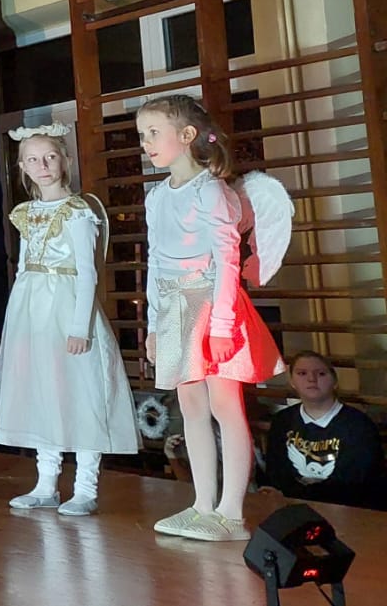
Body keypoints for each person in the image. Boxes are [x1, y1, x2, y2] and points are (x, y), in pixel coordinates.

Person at [137, 95, 283, 542]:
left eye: (154, 133)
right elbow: (156, 262)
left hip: (214, 306)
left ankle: (231, 513)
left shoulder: (210, 190)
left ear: (186, 135)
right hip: (176, 308)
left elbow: (226, 259)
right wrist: (155, 326)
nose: (146, 143)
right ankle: (202, 505)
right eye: (142, 135)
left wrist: (221, 327)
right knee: (192, 407)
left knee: (226, 405)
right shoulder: (157, 197)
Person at [0, 123, 137, 516]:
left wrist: (79, 327)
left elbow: (87, 272)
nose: (43, 165)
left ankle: (85, 487)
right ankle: (46, 483)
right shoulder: (26, 213)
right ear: (22, 167)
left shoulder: (78, 211)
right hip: (32, 309)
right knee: (44, 392)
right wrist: (20, 321)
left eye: (50, 157)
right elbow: (25, 266)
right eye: (33, 159)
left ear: (66, 160)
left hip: (68, 305)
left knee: (81, 394)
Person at [259, 351, 387, 511]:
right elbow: (276, 474)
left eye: (321, 373)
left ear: (334, 381)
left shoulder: (359, 425)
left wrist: (295, 495)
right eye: (302, 373)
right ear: (292, 382)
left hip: (347, 510)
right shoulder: (282, 421)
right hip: (293, 508)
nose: (311, 379)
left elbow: (352, 486)